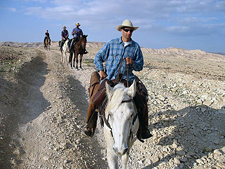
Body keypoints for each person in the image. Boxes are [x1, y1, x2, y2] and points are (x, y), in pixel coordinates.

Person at [84, 19, 152, 142]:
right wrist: (100, 70)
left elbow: (140, 66)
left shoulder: (135, 47)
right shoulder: (112, 43)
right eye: (126, 30)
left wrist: (133, 63)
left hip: (127, 79)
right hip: (110, 78)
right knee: (95, 99)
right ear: (122, 30)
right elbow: (98, 57)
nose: (129, 32)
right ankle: (89, 125)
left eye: (131, 30)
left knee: (142, 100)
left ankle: (143, 129)